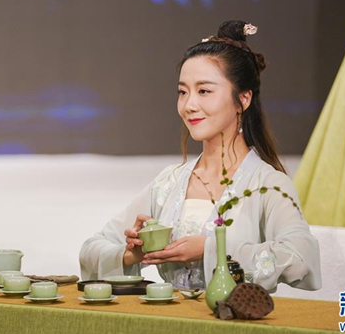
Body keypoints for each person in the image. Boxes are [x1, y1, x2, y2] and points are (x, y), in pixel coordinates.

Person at [79, 20, 321, 293]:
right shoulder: (169, 183)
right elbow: (92, 249)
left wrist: (210, 250)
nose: (189, 105)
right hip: (167, 316)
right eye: (183, 92)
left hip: (238, 317)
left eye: (204, 91)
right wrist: (131, 254)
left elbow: (300, 258)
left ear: (243, 99)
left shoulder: (268, 184)